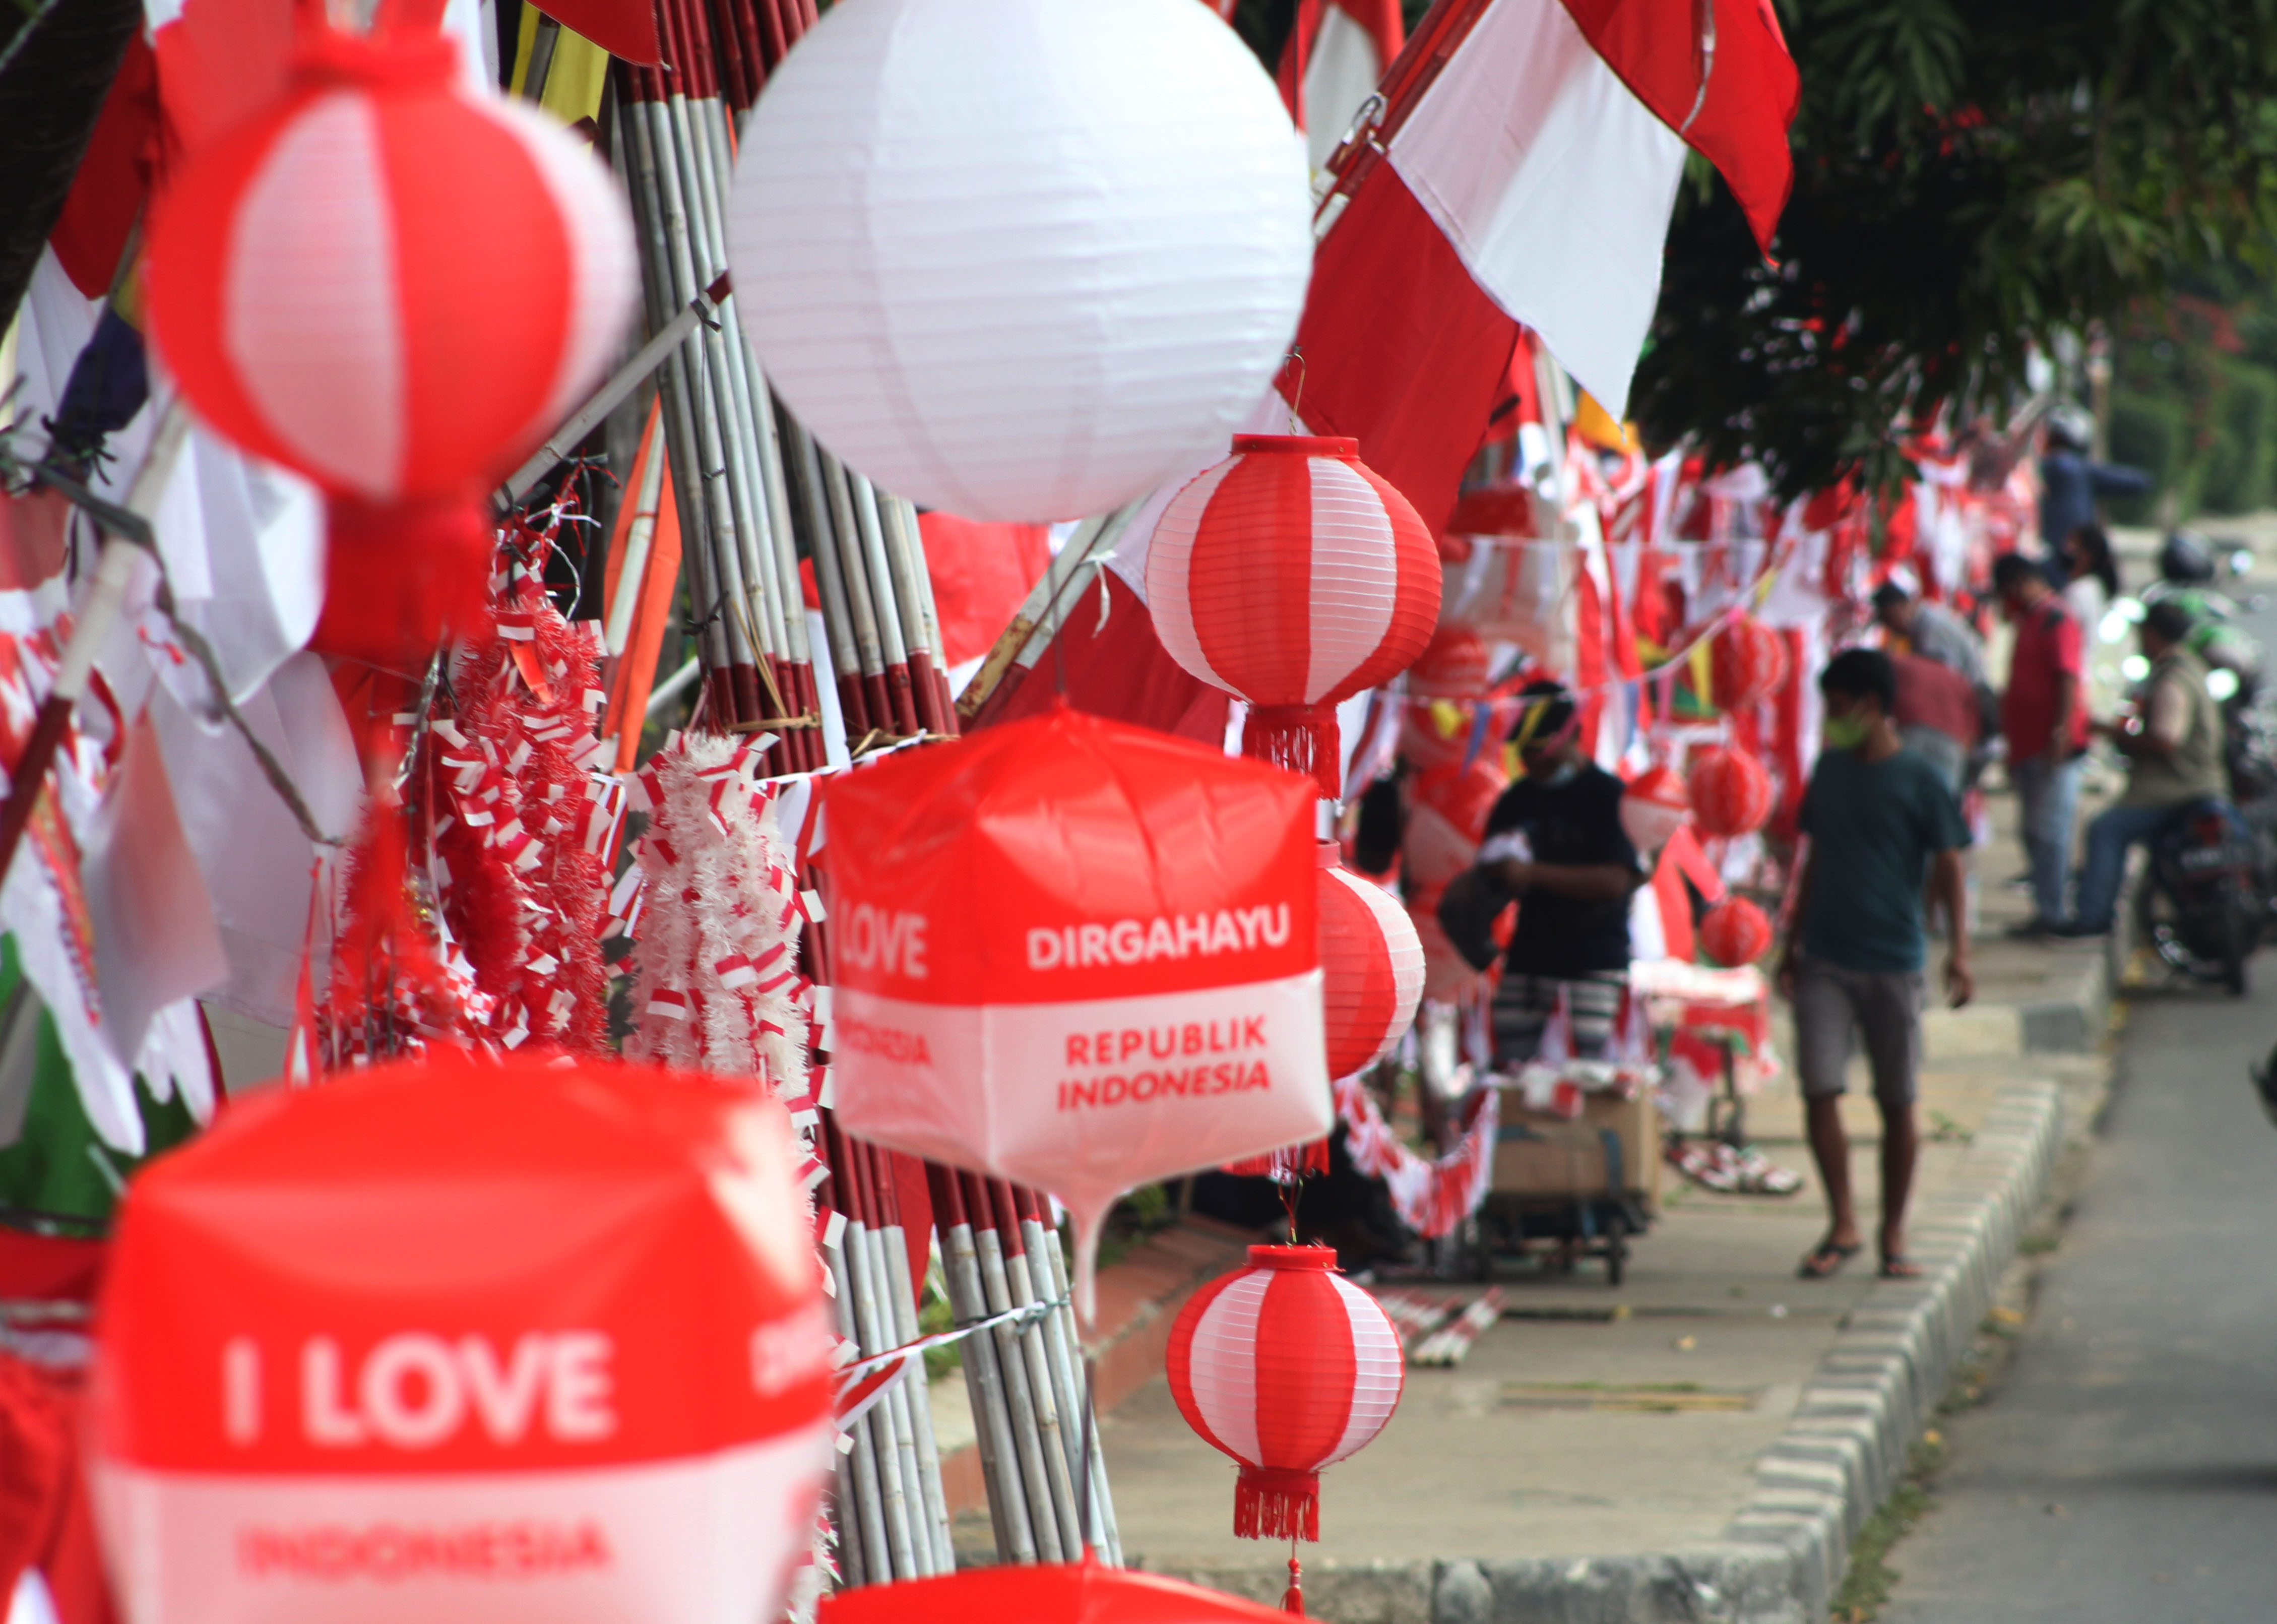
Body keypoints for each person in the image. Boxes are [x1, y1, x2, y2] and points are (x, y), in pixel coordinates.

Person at [1779, 649, 1972, 1281]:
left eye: (1836, 708)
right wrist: (1792, 942)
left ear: (1868, 705)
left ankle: (1893, 1232)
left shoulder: (1920, 779)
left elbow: (1950, 866)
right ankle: (1843, 1221)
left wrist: (1959, 954)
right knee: (1819, 1088)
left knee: (1898, 1101)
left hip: (1894, 959)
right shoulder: (1828, 772)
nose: (1830, 720)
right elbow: (1812, 862)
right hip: (1825, 959)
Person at [1440, 681, 1647, 1064]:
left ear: (1577, 737)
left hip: (1594, 967)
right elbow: (1493, 878)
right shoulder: (1517, 800)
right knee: (1518, 1087)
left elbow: (1617, 882)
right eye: (1527, 753)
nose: (1533, 763)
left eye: (1544, 752)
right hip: (1527, 964)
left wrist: (1531, 874)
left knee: (1584, 1085)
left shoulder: (1609, 797)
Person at [2057, 602, 2229, 937]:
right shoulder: (2192, 668)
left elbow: (2166, 741)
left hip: (2176, 788)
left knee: (2105, 830)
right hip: (2204, 784)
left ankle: (2093, 916)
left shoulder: (2172, 679)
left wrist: (2112, 733)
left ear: (2152, 634)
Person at [1995, 553, 2090, 935]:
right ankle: (2047, 909)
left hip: (2052, 748)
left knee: (2050, 833)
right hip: (2029, 747)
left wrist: (2061, 732)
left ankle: (2054, 914)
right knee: (2034, 831)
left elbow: (2067, 677)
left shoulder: (2056, 617)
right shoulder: (2031, 619)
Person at [2038, 407, 2150, 553]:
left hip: (2045, 550)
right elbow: (2139, 482)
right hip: (2071, 554)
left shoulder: (2040, 465)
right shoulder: (2082, 469)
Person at [1890, 652, 1979, 798]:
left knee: (1904, 796)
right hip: (1951, 743)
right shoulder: (1958, 678)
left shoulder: (1902, 664)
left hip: (1912, 732)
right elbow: (1971, 730)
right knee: (1942, 802)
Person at [1871, 580, 1985, 686]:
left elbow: (1942, 677)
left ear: (1901, 607)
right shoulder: (1927, 616)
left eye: (1890, 619)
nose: (1891, 628)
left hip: (1974, 690)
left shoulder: (1928, 627)